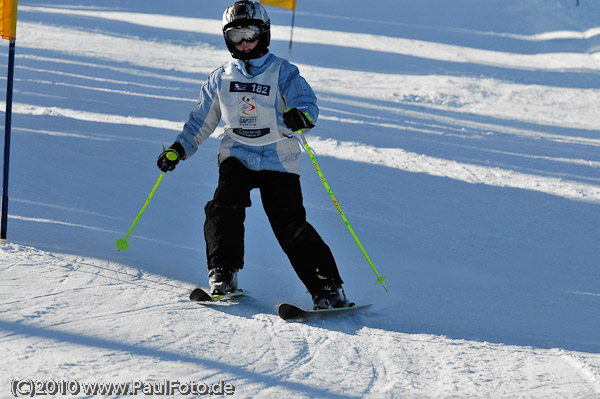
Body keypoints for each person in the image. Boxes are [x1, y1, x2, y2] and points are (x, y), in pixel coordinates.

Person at [157, 0, 350, 309]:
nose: (245, 44)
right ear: (227, 39)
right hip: (238, 153)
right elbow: (201, 120)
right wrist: (179, 149)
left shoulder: (282, 71)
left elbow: (306, 100)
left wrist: (301, 115)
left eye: (251, 35)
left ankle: (328, 288)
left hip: (278, 156)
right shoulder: (221, 78)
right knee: (223, 207)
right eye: (236, 37)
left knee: (289, 223)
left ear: (265, 33)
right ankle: (223, 273)